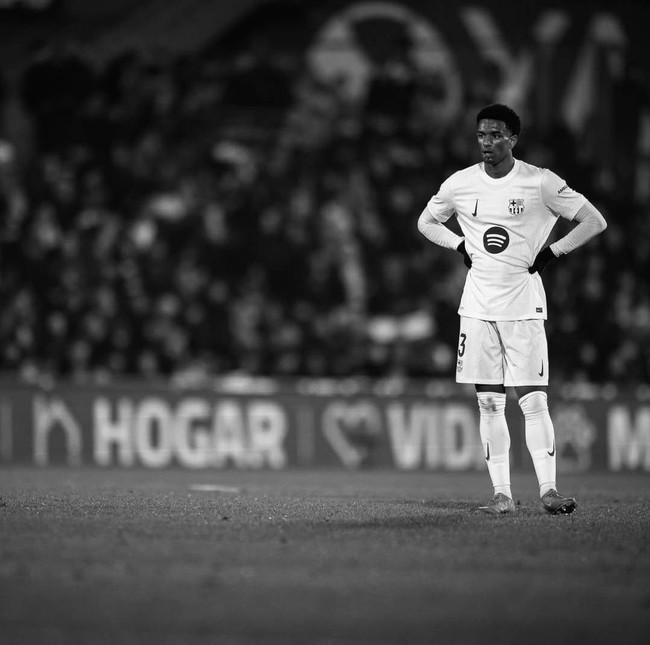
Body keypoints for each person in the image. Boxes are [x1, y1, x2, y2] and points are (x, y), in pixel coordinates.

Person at [417, 103, 607, 515]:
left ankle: (549, 492)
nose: (486, 143)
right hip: (477, 309)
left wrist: (553, 252)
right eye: (481, 135)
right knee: (489, 403)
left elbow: (594, 221)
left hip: (523, 307)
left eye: (495, 135)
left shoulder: (540, 182)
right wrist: (459, 244)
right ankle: (501, 496)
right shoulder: (460, 183)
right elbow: (426, 222)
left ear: (513, 139)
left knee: (533, 402)